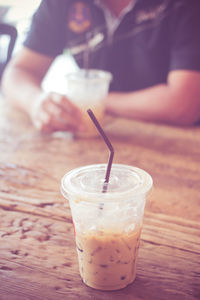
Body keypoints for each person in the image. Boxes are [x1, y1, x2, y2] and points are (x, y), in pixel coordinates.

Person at [2, 0, 200, 134]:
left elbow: (183, 105)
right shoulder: (60, 4)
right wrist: (36, 101)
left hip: (175, 139)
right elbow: (18, 72)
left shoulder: (186, 6)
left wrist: (93, 101)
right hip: (99, 134)